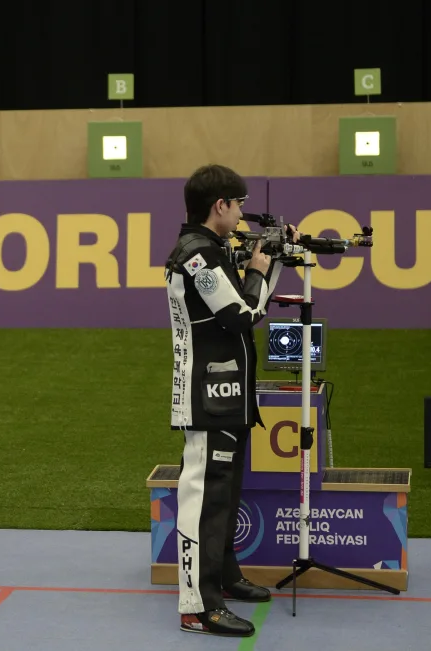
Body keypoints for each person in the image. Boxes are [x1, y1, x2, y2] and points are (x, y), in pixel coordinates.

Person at [164, 165, 299, 637]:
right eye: (238, 204)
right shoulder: (197, 256)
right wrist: (262, 269)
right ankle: (197, 607)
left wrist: (270, 260)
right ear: (219, 205)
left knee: (225, 498)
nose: (243, 213)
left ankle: (222, 577)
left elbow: (246, 305)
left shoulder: (210, 248)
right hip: (208, 399)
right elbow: (242, 315)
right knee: (204, 502)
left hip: (227, 396)